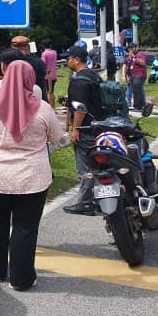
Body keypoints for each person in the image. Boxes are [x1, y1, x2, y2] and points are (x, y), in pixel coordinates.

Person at [0, 61, 64, 291]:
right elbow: (56, 136)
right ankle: (22, 278)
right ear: (30, 79)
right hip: (32, 178)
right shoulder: (43, 109)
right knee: (25, 228)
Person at [63, 45, 104, 215]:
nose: (66, 61)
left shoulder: (79, 81)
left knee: (85, 168)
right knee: (96, 165)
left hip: (85, 129)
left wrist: (75, 129)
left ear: (76, 60)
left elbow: (80, 108)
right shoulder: (93, 75)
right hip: (97, 126)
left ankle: (85, 203)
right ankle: (97, 198)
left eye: (68, 58)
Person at [10, 35, 47, 101]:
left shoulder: (8, 62)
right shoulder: (38, 61)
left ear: (11, 47)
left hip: (15, 101)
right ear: (28, 46)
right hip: (39, 100)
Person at [123, 43, 148, 110]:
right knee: (136, 89)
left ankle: (138, 106)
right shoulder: (128, 57)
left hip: (139, 74)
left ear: (136, 47)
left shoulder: (140, 54)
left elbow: (143, 63)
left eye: (132, 48)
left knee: (137, 89)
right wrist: (126, 75)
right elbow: (127, 66)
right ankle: (143, 104)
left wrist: (134, 57)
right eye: (129, 48)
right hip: (131, 75)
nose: (130, 49)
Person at [40, 39, 57, 105]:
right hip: (54, 74)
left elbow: (43, 63)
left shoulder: (44, 54)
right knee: (52, 91)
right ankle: (53, 106)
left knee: (48, 92)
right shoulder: (54, 52)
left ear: (43, 45)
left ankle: (49, 107)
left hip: (47, 75)